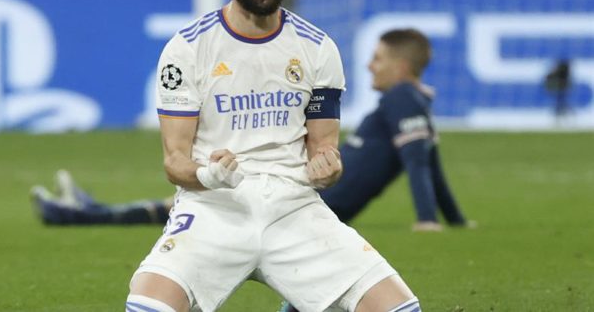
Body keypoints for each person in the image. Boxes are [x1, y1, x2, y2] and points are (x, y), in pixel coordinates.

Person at [123, 0, 418, 311]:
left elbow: (323, 149)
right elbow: (174, 161)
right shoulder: (188, 48)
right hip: (213, 208)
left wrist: (328, 167)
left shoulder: (316, 48)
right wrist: (209, 176)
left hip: (293, 208)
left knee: (401, 308)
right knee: (149, 305)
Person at [33, 28, 471, 232]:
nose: (369, 65)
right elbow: (431, 166)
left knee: (190, 198)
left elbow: (419, 164)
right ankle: (87, 211)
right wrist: (456, 220)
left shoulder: (399, 99)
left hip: (314, 196)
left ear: (400, 65)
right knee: (186, 198)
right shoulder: (415, 105)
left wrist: (428, 222)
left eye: (377, 59)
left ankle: (78, 215)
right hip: (316, 190)